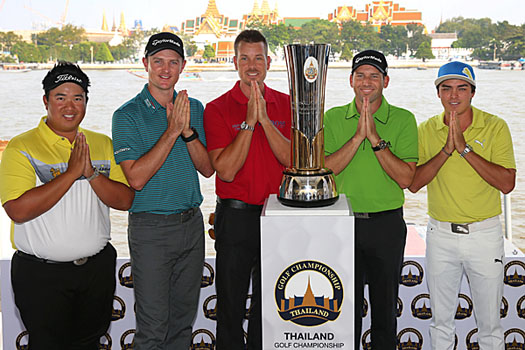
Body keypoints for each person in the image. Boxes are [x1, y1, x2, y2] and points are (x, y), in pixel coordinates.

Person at [0, 61, 134, 349]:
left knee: (90, 344)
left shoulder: (102, 143)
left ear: (86, 102)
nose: (70, 106)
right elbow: (18, 210)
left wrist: (92, 174)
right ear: (46, 101)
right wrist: (72, 173)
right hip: (41, 275)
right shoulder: (22, 146)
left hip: (95, 272)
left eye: (78, 97)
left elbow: (125, 200)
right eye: (60, 97)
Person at [112, 32, 213, 349]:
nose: (165, 69)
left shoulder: (193, 108)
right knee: (153, 329)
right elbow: (136, 179)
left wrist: (188, 132)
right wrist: (171, 132)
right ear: (145, 64)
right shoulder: (127, 115)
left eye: (173, 62)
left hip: (190, 224)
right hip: (151, 229)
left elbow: (207, 168)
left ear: (183, 66)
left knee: (183, 325)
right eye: (158, 62)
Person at [408, 61, 516, 350]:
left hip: (485, 235)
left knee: (490, 325)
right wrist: (446, 150)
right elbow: (415, 183)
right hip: (441, 235)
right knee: (440, 324)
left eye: (462, 88)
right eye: (446, 88)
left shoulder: (495, 126)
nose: (454, 95)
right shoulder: (426, 129)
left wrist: (465, 148)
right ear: (438, 94)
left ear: (473, 93)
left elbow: (507, 183)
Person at [324, 50, 418, 349]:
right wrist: (356, 138)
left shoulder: (403, 119)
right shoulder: (333, 117)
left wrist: (375, 139)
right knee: (342, 310)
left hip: (386, 224)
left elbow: (406, 178)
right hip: (342, 224)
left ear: (386, 81)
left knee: (385, 310)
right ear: (351, 80)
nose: (367, 82)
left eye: (374, 76)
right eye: (361, 75)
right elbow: (325, 171)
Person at [203, 29, 291, 350]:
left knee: (269, 308)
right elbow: (224, 170)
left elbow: (294, 162)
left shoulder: (286, 103)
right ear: (235, 62)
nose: (251, 65)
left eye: (258, 58)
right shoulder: (217, 108)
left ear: (268, 62)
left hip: (277, 217)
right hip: (236, 217)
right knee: (230, 307)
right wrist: (249, 124)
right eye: (244, 58)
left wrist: (265, 120)